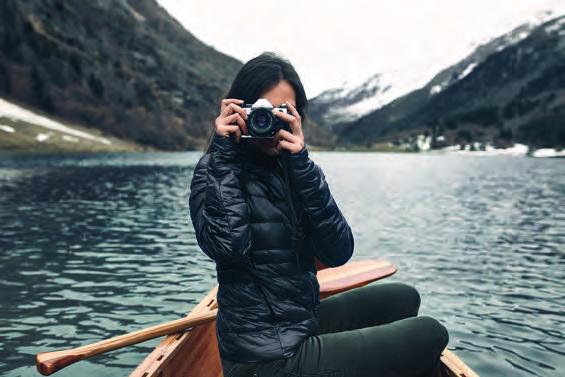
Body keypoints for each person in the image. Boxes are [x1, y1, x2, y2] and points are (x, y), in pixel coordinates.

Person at [188, 52, 449, 377]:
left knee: (404, 298)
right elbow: (229, 248)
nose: (270, 123)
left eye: (282, 112)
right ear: (238, 110)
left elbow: (338, 251)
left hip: (298, 324)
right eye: (261, 111)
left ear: (296, 116)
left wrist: (301, 165)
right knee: (431, 334)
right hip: (263, 360)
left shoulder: (294, 169)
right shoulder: (215, 170)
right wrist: (225, 152)